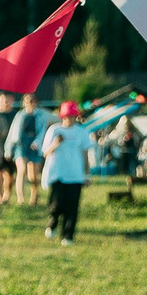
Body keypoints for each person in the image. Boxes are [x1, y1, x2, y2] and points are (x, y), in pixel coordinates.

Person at [40, 100, 91, 245]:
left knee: (72, 207)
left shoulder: (81, 132)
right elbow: (45, 152)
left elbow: (85, 154)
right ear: (62, 116)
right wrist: (55, 144)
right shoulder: (54, 130)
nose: (70, 119)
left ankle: (67, 236)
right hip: (58, 173)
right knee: (56, 204)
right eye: (68, 116)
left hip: (75, 175)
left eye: (73, 116)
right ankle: (53, 222)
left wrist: (87, 174)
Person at [6, 95, 45, 207]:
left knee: (32, 175)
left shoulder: (40, 116)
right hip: (21, 144)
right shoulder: (20, 115)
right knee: (21, 170)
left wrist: (37, 142)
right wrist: (8, 149)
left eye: (32, 101)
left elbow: (42, 132)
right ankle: (21, 199)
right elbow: (13, 132)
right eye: (27, 101)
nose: (30, 103)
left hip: (34, 145)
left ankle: (34, 196)